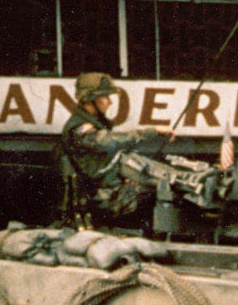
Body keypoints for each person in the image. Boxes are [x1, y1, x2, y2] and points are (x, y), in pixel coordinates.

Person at [59, 72, 183, 225]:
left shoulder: (92, 123)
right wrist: (152, 131)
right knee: (163, 182)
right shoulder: (79, 129)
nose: (110, 102)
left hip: (107, 192)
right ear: (90, 99)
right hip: (102, 200)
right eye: (105, 97)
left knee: (159, 177)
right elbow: (112, 142)